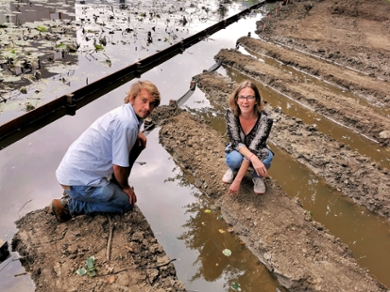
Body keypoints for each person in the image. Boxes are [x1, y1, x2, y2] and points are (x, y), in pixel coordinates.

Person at [50, 80, 160, 222]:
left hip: (72, 173)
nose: (147, 107)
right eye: (144, 101)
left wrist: (135, 136)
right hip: (77, 183)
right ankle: (68, 205)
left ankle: (112, 185)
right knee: (126, 203)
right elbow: (118, 166)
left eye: (152, 104)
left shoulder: (127, 113)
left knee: (136, 145)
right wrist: (126, 187)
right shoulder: (128, 124)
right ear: (132, 98)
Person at [222, 80, 274, 195]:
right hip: (238, 148)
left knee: (266, 159)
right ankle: (234, 170)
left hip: (257, 148)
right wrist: (253, 159)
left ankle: (257, 176)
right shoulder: (231, 113)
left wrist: (237, 181)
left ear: (256, 100)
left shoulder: (266, 119)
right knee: (234, 159)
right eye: (242, 97)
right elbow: (235, 142)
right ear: (236, 99)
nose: (245, 101)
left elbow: (254, 148)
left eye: (250, 97)